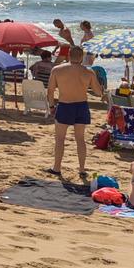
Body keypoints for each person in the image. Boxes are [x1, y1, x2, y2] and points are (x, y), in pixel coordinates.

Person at [46, 46, 99, 177]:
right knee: (80, 139)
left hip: (65, 105)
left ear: (68, 55)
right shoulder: (89, 72)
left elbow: (50, 90)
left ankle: (57, 168)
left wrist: (52, 106)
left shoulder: (57, 69)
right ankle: (81, 169)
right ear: (82, 57)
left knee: (60, 139)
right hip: (81, 106)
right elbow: (98, 92)